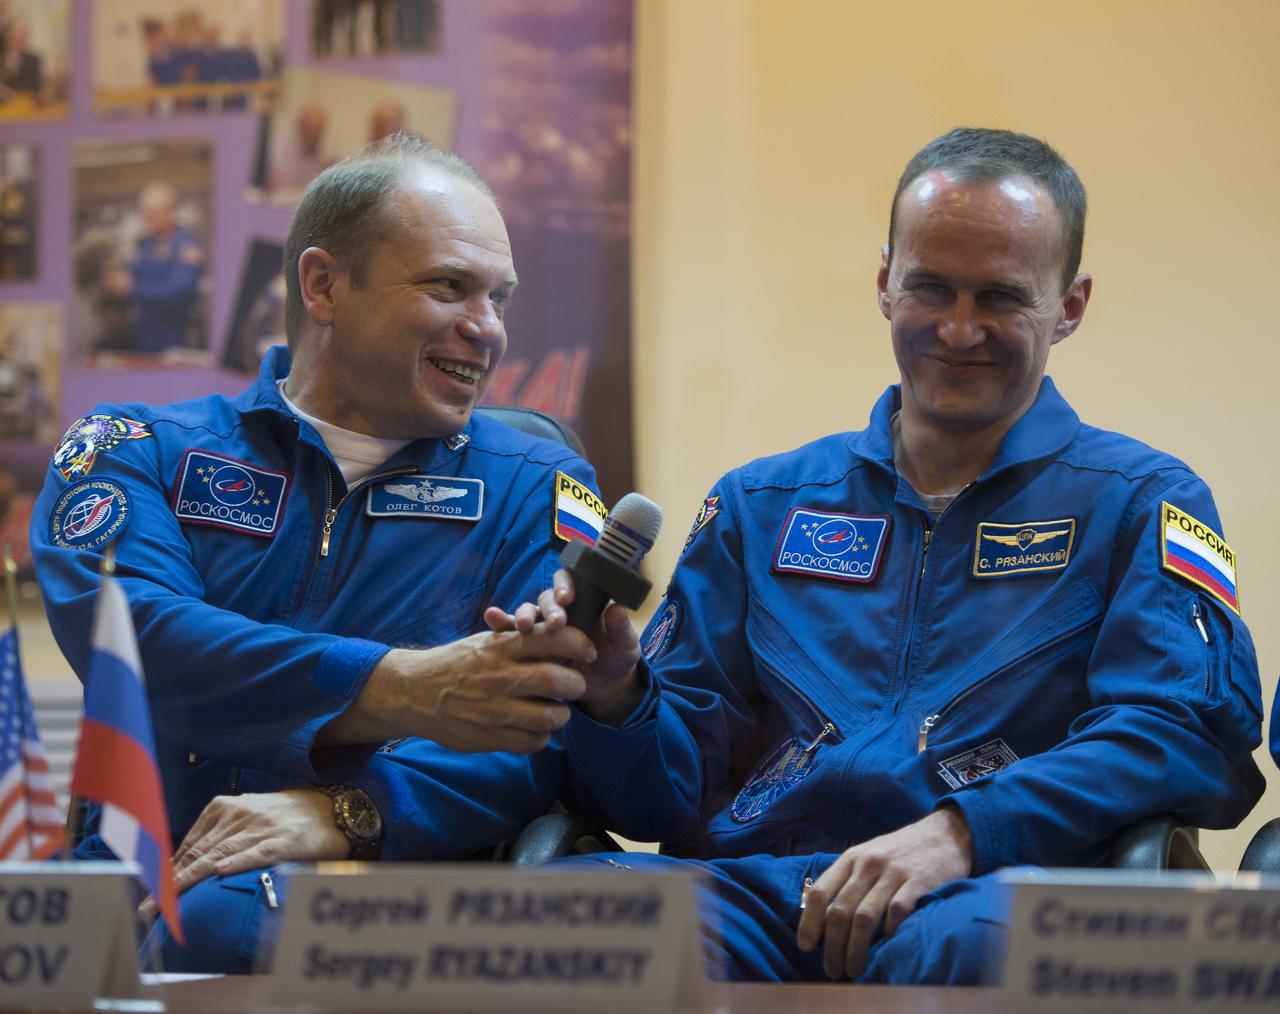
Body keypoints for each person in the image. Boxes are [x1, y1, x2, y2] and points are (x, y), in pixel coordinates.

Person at [494, 127, 1266, 985]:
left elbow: (1184, 731)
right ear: (885, 283)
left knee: (971, 952)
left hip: (988, 891)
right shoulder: (761, 503)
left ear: (1071, 305)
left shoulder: (1141, 500)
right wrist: (614, 696)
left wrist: (964, 831)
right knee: (547, 924)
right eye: (930, 287)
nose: (959, 329)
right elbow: (664, 792)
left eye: (1001, 298)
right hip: (762, 893)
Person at [33, 133, 611, 971]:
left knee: (234, 924)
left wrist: (349, 810)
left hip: (373, 897)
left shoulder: (544, 484)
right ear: (324, 284)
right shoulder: (130, 446)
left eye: (500, 297)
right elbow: (138, 638)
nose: (487, 329)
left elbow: (537, 723)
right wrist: (401, 687)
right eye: (450, 286)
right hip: (126, 891)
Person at [100, 182, 204, 355]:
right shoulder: (146, 243)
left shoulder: (185, 245)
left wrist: (132, 288)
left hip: (172, 338)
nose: (148, 221)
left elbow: (180, 291)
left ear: (169, 211)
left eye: (153, 214)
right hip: (142, 336)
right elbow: (135, 273)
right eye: (145, 215)